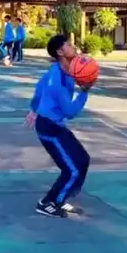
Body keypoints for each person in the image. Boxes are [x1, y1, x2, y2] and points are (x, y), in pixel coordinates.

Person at [26, 34, 92, 218]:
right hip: (49, 128)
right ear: (60, 52)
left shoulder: (59, 69)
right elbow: (69, 111)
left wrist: (34, 109)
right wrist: (84, 92)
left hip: (54, 124)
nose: (74, 47)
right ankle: (48, 203)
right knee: (72, 169)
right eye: (69, 45)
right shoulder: (58, 80)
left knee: (83, 159)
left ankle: (61, 198)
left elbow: (39, 89)